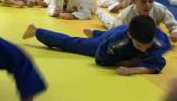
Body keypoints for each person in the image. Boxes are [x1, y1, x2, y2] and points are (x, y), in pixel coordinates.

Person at [24, 15, 168, 75]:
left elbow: (159, 63)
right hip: (108, 40)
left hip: (119, 33)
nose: (144, 49)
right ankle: (37, 31)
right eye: (139, 45)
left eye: (147, 45)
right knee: (73, 44)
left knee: (109, 36)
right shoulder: (116, 43)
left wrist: (133, 69)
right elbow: (100, 59)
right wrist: (123, 63)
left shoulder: (158, 40)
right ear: (131, 37)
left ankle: (95, 33)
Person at [96, 0, 177, 42]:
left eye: (151, 1)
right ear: (134, 0)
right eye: (143, 1)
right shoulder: (126, 14)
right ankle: (99, 12)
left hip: (149, 34)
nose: (147, 5)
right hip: (123, 28)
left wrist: (175, 32)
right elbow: (118, 33)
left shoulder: (160, 9)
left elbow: (174, 24)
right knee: (111, 24)